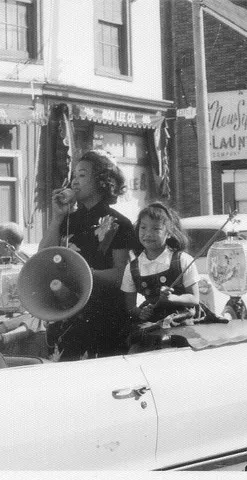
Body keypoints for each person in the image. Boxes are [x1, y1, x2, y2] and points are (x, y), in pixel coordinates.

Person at [39, 149, 140, 360]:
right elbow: (43, 257)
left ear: (102, 181)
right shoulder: (69, 220)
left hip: (105, 318)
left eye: (82, 175)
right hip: (69, 314)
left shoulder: (119, 223)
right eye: (73, 176)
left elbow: (122, 274)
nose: (75, 182)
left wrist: (86, 273)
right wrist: (57, 218)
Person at [0, 222, 48, 358]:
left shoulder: (28, 264)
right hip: (4, 313)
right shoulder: (0, 263)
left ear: (6, 243)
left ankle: (3, 336)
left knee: (34, 317)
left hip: (26, 312)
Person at [122, 202, 200, 327]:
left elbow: (195, 299)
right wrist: (141, 313)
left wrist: (173, 298)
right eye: (143, 227)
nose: (148, 233)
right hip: (152, 323)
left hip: (183, 321)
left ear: (169, 233)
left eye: (156, 228)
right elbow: (131, 308)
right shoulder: (132, 268)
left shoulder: (182, 260)